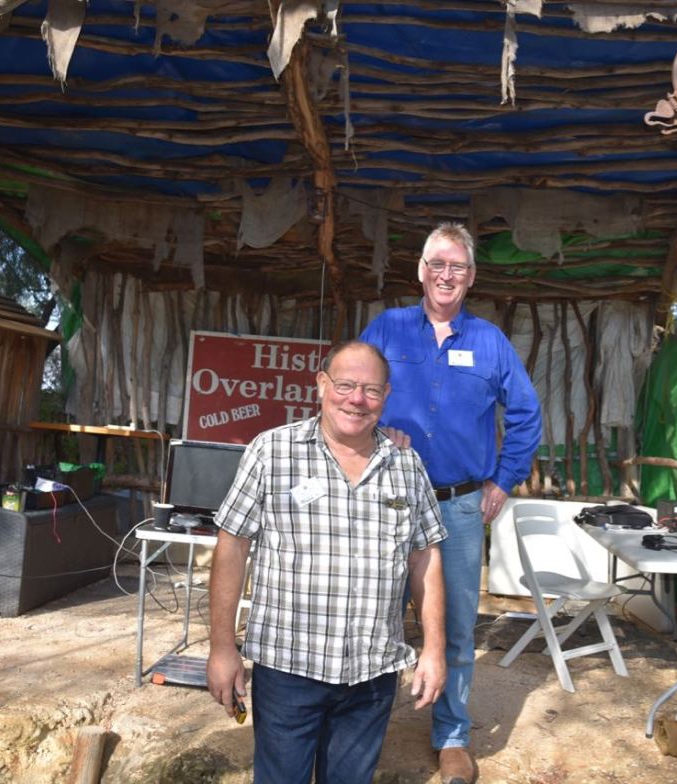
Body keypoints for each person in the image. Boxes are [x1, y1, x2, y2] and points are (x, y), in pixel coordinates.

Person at [206, 340, 448, 784]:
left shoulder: (406, 465)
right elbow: (232, 546)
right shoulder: (272, 452)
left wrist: (434, 649)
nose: (357, 399)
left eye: (371, 390)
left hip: (372, 673)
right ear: (321, 385)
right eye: (345, 385)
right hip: (289, 669)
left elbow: (424, 559)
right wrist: (222, 647)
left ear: (386, 396)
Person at [360, 222, 542, 784]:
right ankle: (362, 733)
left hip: (459, 508)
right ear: (420, 270)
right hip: (386, 500)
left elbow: (526, 414)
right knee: (373, 620)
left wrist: (503, 480)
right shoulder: (387, 328)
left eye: (457, 267)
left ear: (470, 277)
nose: (446, 275)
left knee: (458, 626)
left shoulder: (490, 342)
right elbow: (353, 393)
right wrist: (377, 429)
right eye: (437, 263)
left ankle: (453, 736)